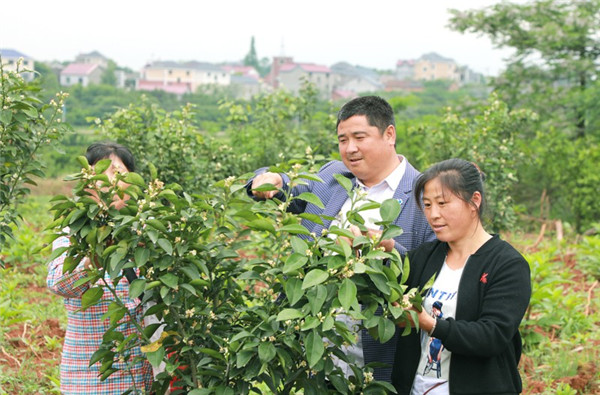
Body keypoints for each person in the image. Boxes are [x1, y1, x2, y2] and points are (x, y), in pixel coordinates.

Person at [249, 95, 435, 382]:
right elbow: (288, 186)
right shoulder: (334, 175)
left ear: (389, 134)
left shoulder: (424, 196)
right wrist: (270, 179)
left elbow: (431, 276)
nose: (350, 148)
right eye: (342, 139)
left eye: (359, 137)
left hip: (378, 355)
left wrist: (388, 251)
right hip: (316, 350)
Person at [392, 159, 531, 394]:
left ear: (474, 201)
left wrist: (431, 324)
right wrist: (373, 250)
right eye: (427, 204)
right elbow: (387, 283)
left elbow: (492, 335)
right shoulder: (427, 256)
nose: (433, 214)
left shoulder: (507, 264)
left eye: (443, 203)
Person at [47, 142, 153, 394]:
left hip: (145, 378)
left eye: (117, 172)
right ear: (87, 184)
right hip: (91, 379)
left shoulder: (150, 234)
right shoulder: (73, 234)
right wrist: (93, 255)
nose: (109, 180)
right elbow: (58, 283)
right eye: (100, 171)